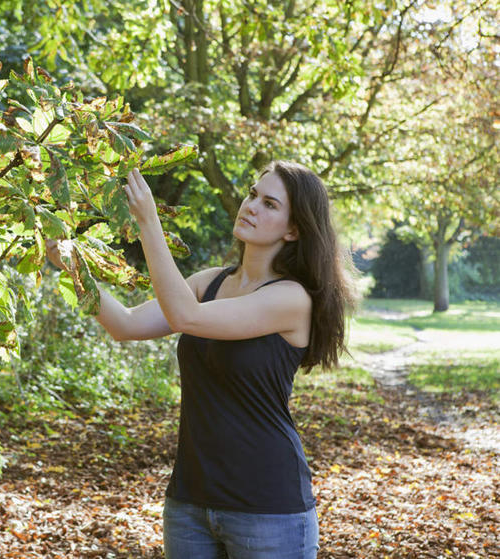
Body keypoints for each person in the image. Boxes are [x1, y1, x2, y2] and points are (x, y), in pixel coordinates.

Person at [45, 160, 356, 559]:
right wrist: (73, 264)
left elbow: (185, 317)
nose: (252, 206)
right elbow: (124, 324)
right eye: (251, 195)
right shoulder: (208, 282)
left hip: (268, 509)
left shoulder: (291, 298)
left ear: (293, 230)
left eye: (270, 204)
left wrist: (149, 223)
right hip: (189, 503)